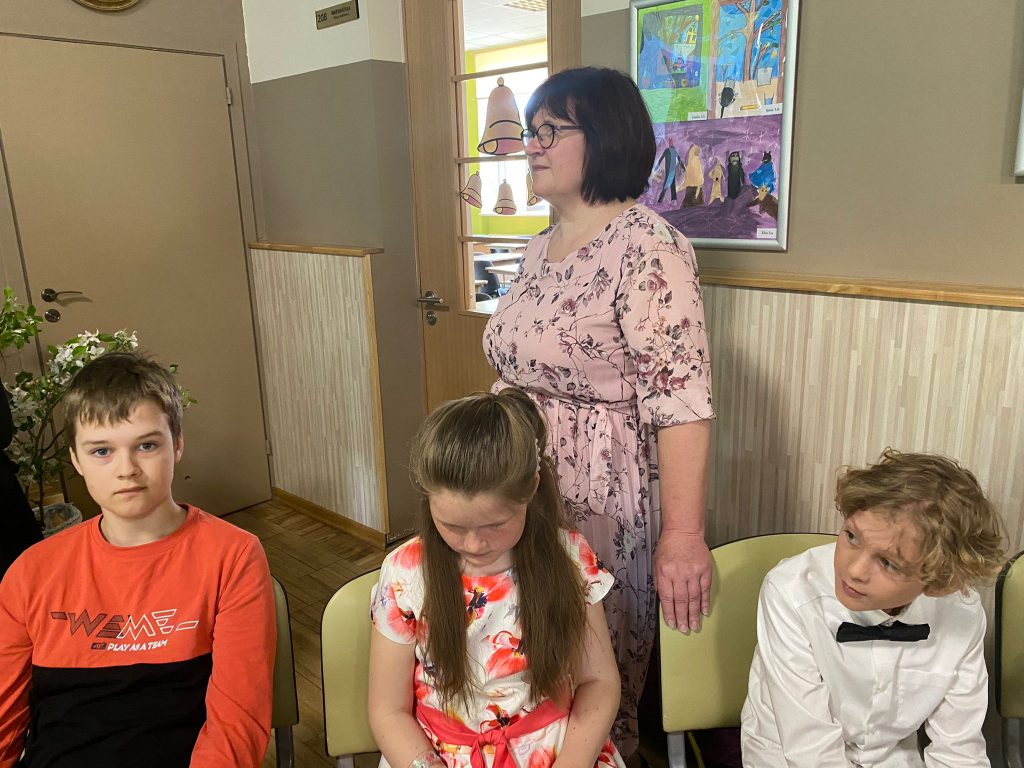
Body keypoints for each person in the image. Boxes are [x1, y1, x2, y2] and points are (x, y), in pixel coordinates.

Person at [483, 66, 715, 757]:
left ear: (606, 136)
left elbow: (681, 402)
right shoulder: (539, 246)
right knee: (517, 651)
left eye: (550, 130)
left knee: (588, 664)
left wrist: (684, 535)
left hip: (598, 488)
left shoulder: (650, 247)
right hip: (521, 479)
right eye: (530, 131)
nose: (531, 145)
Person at [0, 351, 275, 768]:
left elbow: (237, 721)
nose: (126, 469)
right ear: (75, 459)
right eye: (101, 451)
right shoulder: (31, 571)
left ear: (177, 445)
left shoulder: (233, 556)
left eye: (146, 445)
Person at [368, 389, 625, 768]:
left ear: (531, 488)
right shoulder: (405, 573)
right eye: (452, 526)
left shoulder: (569, 558)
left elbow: (599, 682)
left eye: (494, 525)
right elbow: (388, 709)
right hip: (433, 755)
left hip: (558, 750)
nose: (473, 544)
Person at [741, 449, 1007, 767]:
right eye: (852, 536)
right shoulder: (790, 591)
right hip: (786, 756)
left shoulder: (961, 614)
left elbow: (959, 750)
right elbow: (810, 751)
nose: (854, 570)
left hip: (892, 758)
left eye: (888, 563)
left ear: (940, 582)